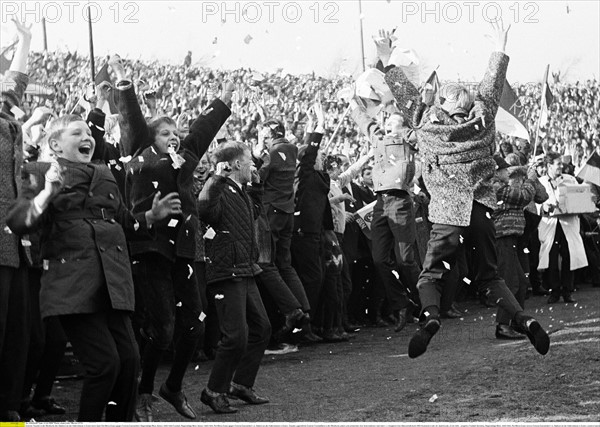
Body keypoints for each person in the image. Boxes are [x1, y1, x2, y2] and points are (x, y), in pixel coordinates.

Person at [376, 21, 550, 358]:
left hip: (445, 215)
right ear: (470, 105)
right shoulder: (483, 124)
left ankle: (429, 317)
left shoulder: (426, 123)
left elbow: (403, 93)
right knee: (489, 277)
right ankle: (524, 319)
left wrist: (387, 59)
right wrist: (499, 46)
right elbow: (491, 85)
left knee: (430, 275)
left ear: (443, 105)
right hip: (481, 212)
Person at [6, 114, 181, 421]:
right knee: (105, 364)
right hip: (73, 283)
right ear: (55, 144)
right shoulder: (40, 171)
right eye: (77, 133)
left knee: (129, 362)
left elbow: (125, 221)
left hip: (113, 281)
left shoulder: (106, 174)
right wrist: (48, 192)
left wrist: (150, 217)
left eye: (89, 132)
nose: (87, 137)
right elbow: (18, 221)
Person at [114, 59, 232, 421]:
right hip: (149, 250)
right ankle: (144, 392)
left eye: (175, 133)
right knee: (163, 329)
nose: (174, 137)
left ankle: (173, 387)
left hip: (183, 252)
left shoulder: (184, 160)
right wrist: (124, 85)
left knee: (195, 322)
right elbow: (132, 120)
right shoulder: (138, 154)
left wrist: (223, 102)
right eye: (166, 133)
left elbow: (201, 130)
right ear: (152, 139)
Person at [198, 142, 271, 414]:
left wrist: (257, 188)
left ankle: (240, 384)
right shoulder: (218, 186)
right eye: (249, 161)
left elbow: (253, 214)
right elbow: (204, 210)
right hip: (227, 270)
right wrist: (216, 177)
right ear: (237, 164)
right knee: (236, 337)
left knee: (261, 328)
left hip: (244, 267)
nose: (253, 165)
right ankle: (213, 390)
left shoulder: (240, 190)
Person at [349, 105, 420, 332]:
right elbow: (367, 124)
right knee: (379, 259)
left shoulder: (410, 142)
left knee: (406, 260)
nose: (387, 126)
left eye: (393, 124)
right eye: (387, 123)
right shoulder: (380, 140)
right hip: (380, 203)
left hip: (400, 201)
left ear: (405, 128)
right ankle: (402, 304)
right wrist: (352, 103)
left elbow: (420, 130)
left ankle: (426, 301)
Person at [0, 18, 33, 422]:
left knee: (17, 336)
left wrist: (24, 40)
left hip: (14, 245)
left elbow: (16, 82)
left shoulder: (7, 117)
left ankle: (8, 410)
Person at [492, 156, 548, 339]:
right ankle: (502, 325)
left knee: (521, 282)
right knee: (509, 282)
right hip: (502, 238)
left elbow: (542, 196)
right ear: (495, 171)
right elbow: (521, 197)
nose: (505, 172)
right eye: (503, 170)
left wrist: (529, 173)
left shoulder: (509, 182)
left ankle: (517, 322)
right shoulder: (493, 186)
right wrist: (529, 177)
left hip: (515, 238)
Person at [537, 151, 588, 303]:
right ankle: (554, 291)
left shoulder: (570, 179)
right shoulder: (540, 183)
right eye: (558, 164)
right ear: (549, 166)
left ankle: (567, 290)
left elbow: (581, 197)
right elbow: (536, 203)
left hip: (568, 223)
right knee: (551, 259)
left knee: (569, 256)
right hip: (550, 224)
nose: (561, 166)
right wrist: (545, 207)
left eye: (561, 164)